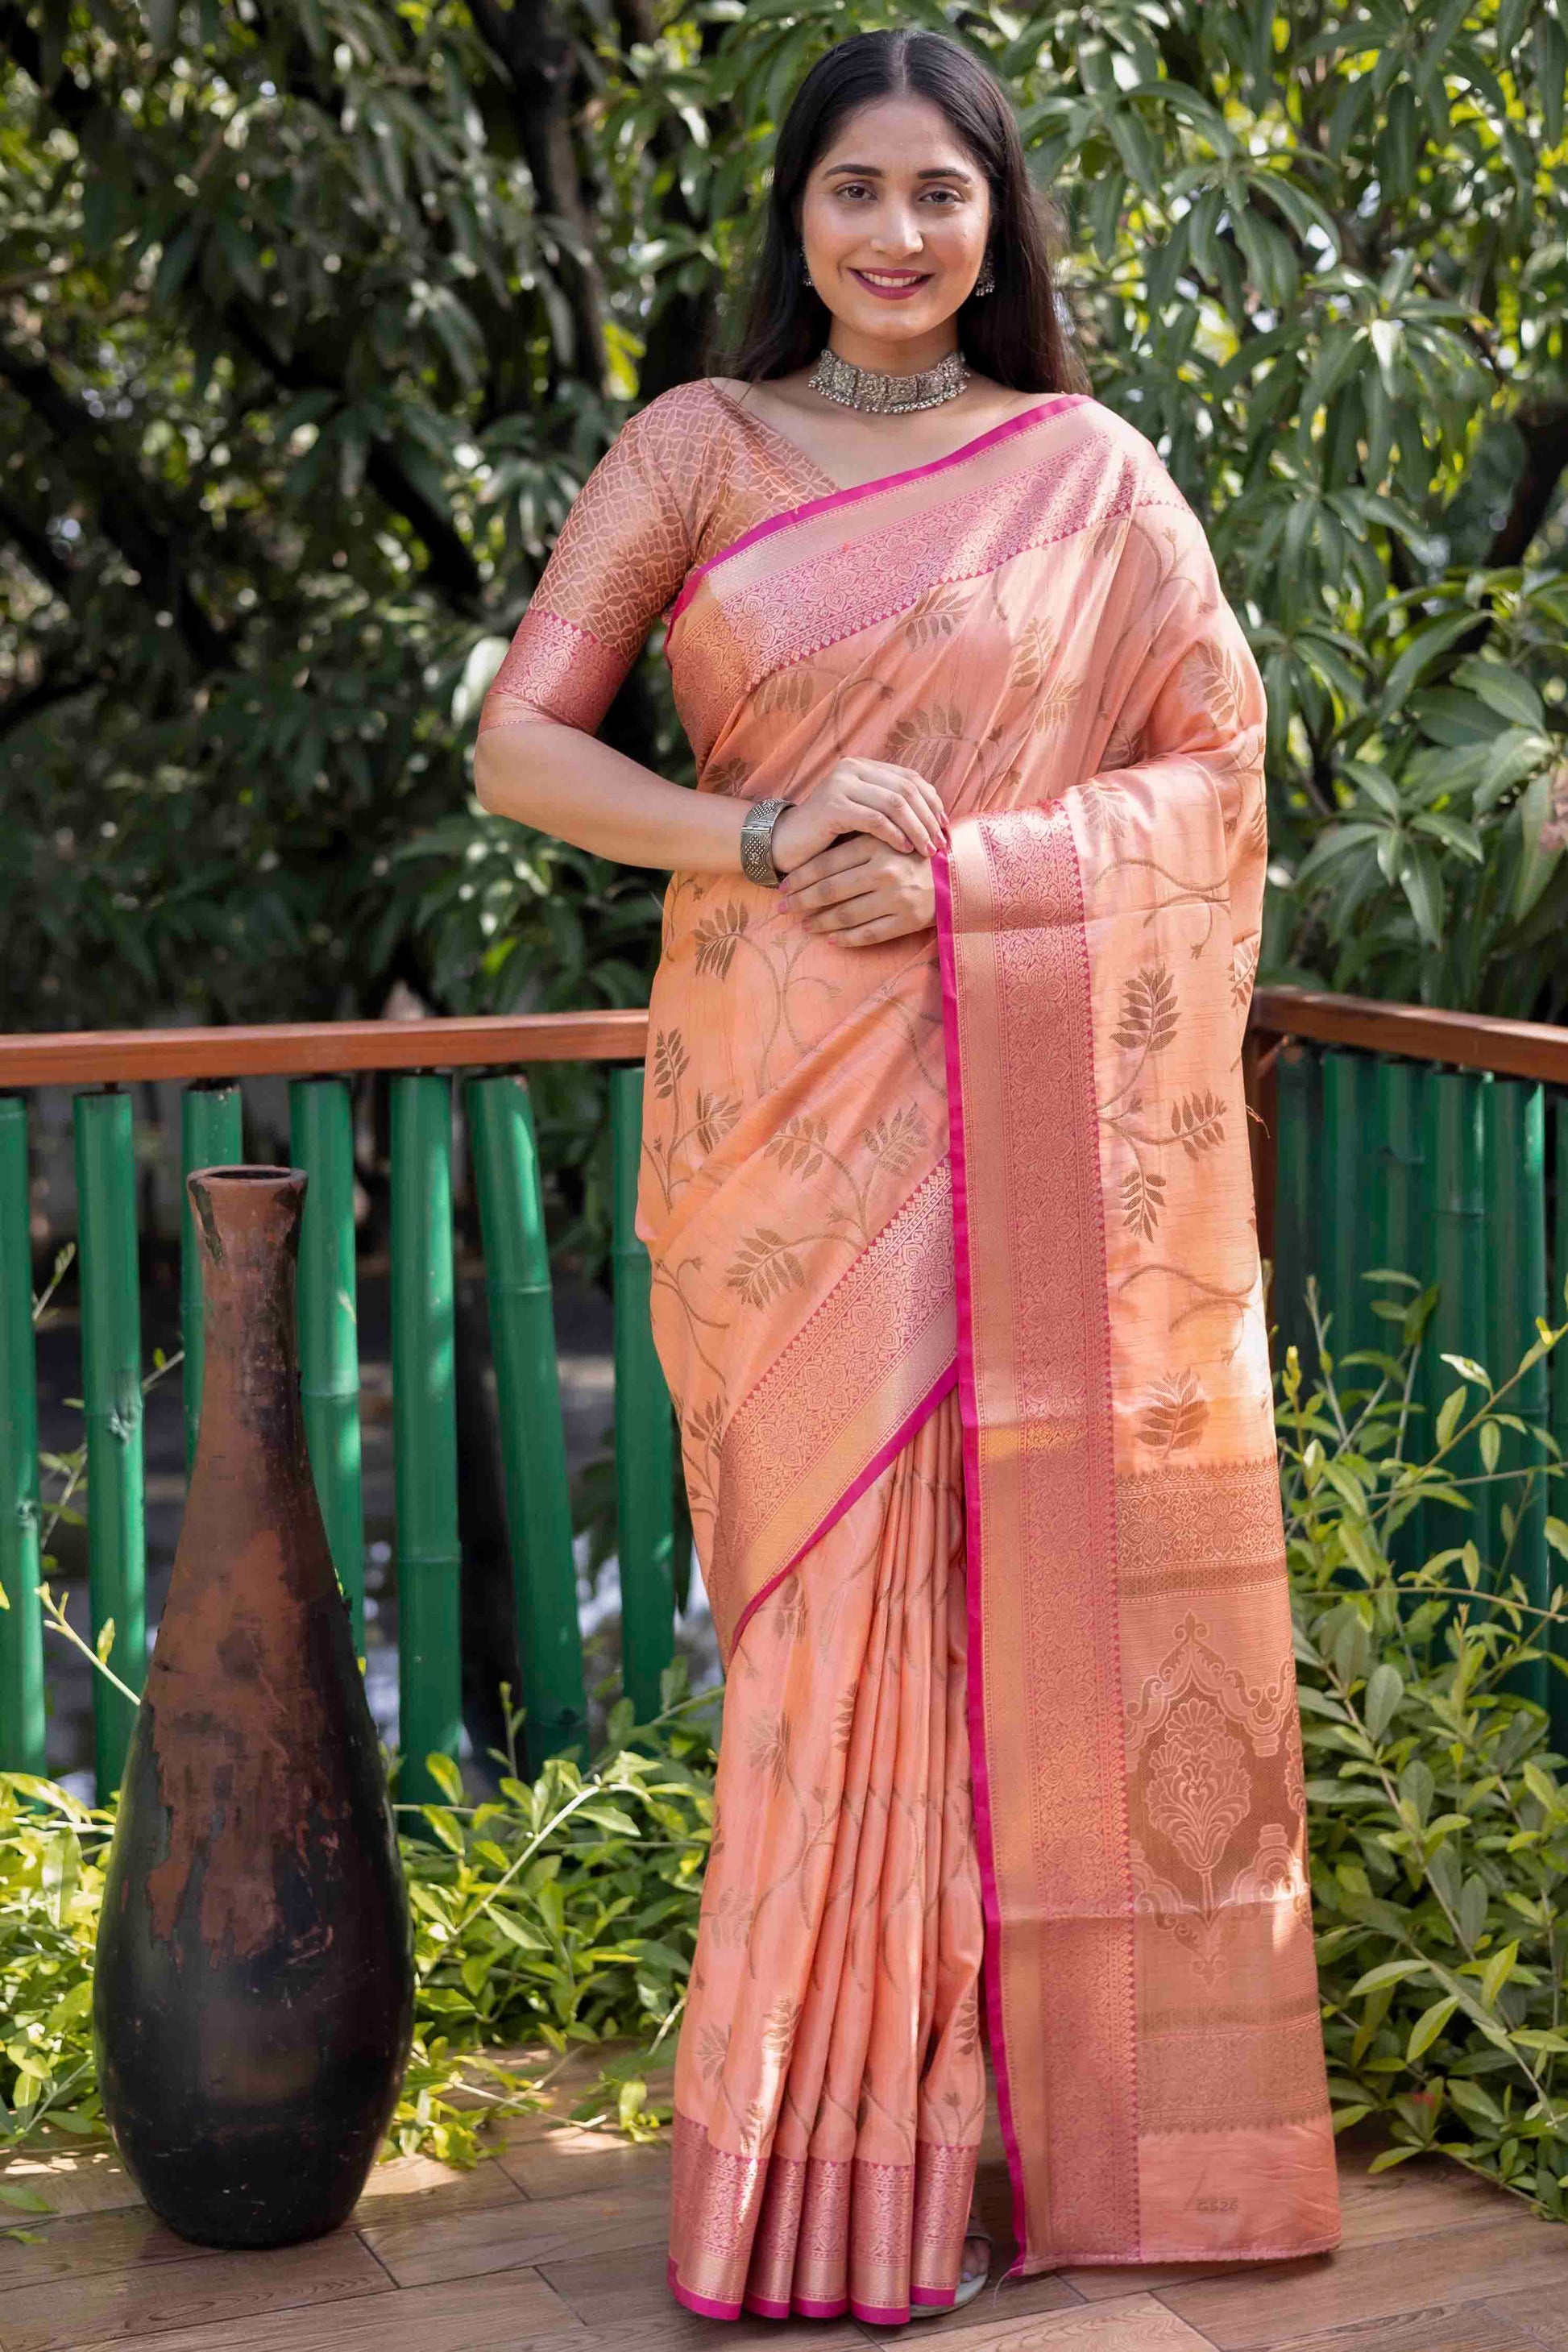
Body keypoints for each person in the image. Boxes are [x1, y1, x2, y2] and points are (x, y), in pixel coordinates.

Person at [473, 24, 1342, 2325]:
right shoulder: (695, 446)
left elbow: (1221, 773)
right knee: (818, 1636)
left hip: (1008, 1098)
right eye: (853, 187)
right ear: (797, 211)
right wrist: (759, 830)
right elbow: (522, 745)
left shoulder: (1091, 477)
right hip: (776, 1116)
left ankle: (978, 2151)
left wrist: (980, 875)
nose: (893, 232)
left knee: (994, 1603)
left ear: (994, 225)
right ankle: (810, 2174)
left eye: (938, 193)